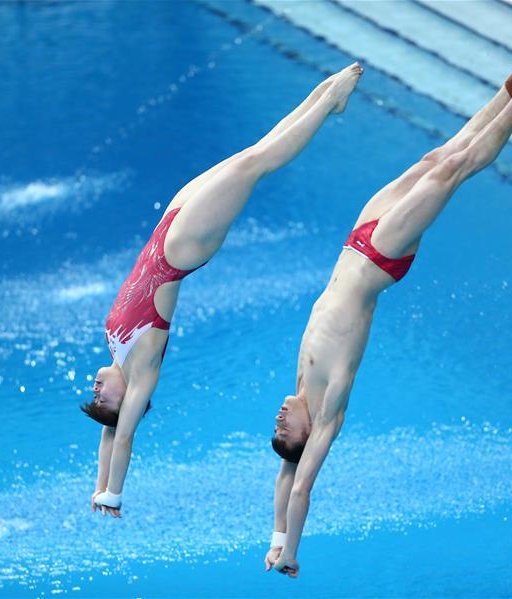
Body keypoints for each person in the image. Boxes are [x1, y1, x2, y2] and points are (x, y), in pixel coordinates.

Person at [265, 47, 512, 577]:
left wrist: (274, 534)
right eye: (285, 430)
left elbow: (283, 479)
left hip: (356, 240)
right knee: (454, 169)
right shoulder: (328, 409)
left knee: (436, 157)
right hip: (379, 258)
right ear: (305, 437)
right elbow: (301, 482)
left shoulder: (301, 386)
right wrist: (289, 554)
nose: (279, 419)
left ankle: (507, 88)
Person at [82, 63, 365, 517]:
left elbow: (107, 435)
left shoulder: (116, 353)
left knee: (250, 157)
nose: (96, 392)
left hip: (165, 229)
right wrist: (113, 494)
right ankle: (329, 99)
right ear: (126, 402)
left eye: (95, 400)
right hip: (181, 250)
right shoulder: (141, 373)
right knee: (257, 165)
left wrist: (96, 486)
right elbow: (123, 435)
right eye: (103, 402)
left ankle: (325, 95)